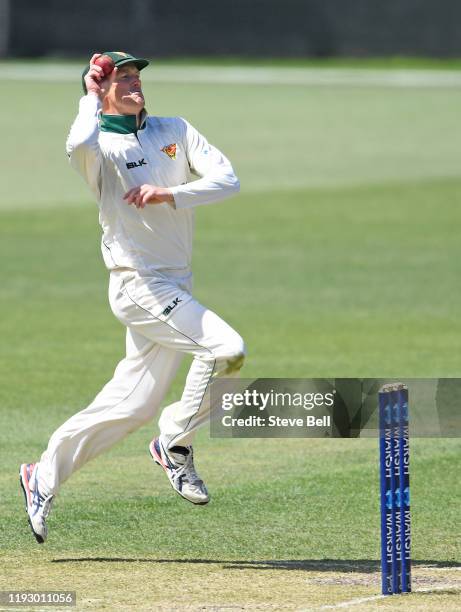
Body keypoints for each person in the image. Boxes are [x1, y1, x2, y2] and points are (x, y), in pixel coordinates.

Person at [19, 51, 245, 544]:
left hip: (176, 282)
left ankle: (42, 475)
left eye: (136, 76)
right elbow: (78, 139)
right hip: (137, 283)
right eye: (122, 78)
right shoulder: (97, 148)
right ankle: (174, 443)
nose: (135, 84)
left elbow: (228, 180)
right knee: (225, 350)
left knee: (132, 405)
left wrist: (172, 195)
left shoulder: (175, 130)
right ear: (102, 90)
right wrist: (89, 97)